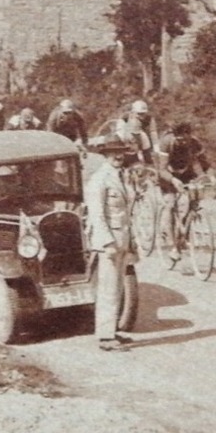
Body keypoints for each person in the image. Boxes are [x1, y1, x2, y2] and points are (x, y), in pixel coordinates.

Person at [84, 138, 135, 352]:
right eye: (113, 152)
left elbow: (126, 212)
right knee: (108, 289)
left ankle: (112, 331)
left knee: (117, 287)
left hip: (122, 239)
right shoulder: (99, 179)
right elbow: (97, 215)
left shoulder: (121, 176)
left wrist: (130, 241)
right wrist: (107, 242)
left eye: (121, 152)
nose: (118, 156)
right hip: (110, 242)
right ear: (105, 155)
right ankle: (105, 337)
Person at [159, 120, 211, 264]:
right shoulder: (166, 142)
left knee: (193, 201)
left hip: (186, 172)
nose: (183, 142)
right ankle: (172, 244)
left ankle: (184, 235)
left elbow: (198, 163)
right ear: (175, 137)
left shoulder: (194, 143)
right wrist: (173, 180)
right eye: (180, 139)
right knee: (170, 204)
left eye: (186, 139)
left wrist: (204, 178)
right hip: (167, 174)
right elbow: (161, 169)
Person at [115, 99, 156, 167]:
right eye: (139, 114)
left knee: (145, 140)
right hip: (126, 134)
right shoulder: (125, 116)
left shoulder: (149, 118)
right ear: (133, 112)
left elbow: (153, 132)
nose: (141, 116)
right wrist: (126, 135)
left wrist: (156, 148)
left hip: (140, 135)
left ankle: (147, 162)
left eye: (143, 114)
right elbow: (119, 130)